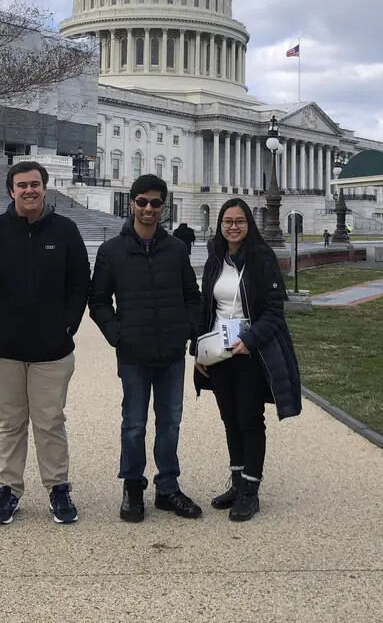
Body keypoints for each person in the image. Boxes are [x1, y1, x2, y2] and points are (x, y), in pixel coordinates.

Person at [0, 161, 90, 526]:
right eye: (22, 185)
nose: (29, 191)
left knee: (50, 421)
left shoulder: (65, 231)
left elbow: (80, 282)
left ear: (45, 187)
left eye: (35, 184)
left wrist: (68, 326)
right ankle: (9, 488)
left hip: (53, 348)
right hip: (5, 348)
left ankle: (58, 487)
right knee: (10, 422)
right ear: (11, 190)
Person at [90, 174, 203, 523]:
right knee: (134, 423)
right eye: (142, 202)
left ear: (163, 206)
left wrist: (187, 330)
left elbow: (192, 297)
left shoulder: (176, 249)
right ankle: (133, 488)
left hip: (170, 352)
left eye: (155, 202)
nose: (149, 209)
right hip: (134, 352)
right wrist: (117, 335)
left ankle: (168, 488)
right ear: (132, 203)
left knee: (170, 423)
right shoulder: (112, 251)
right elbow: (98, 302)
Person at [195, 198, 302, 522]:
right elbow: (205, 307)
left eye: (239, 221)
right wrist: (198, 351)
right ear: (220, 225)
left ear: (249, 224)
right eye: (227, 221)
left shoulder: (261, 258)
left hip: (250, 352)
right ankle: (237, 480)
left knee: (250, 420)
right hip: (220, 352)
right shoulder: (216, 258)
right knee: (230, 419)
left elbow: (273, 312)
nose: (233, 226)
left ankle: (251, 491)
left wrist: (249, 340)